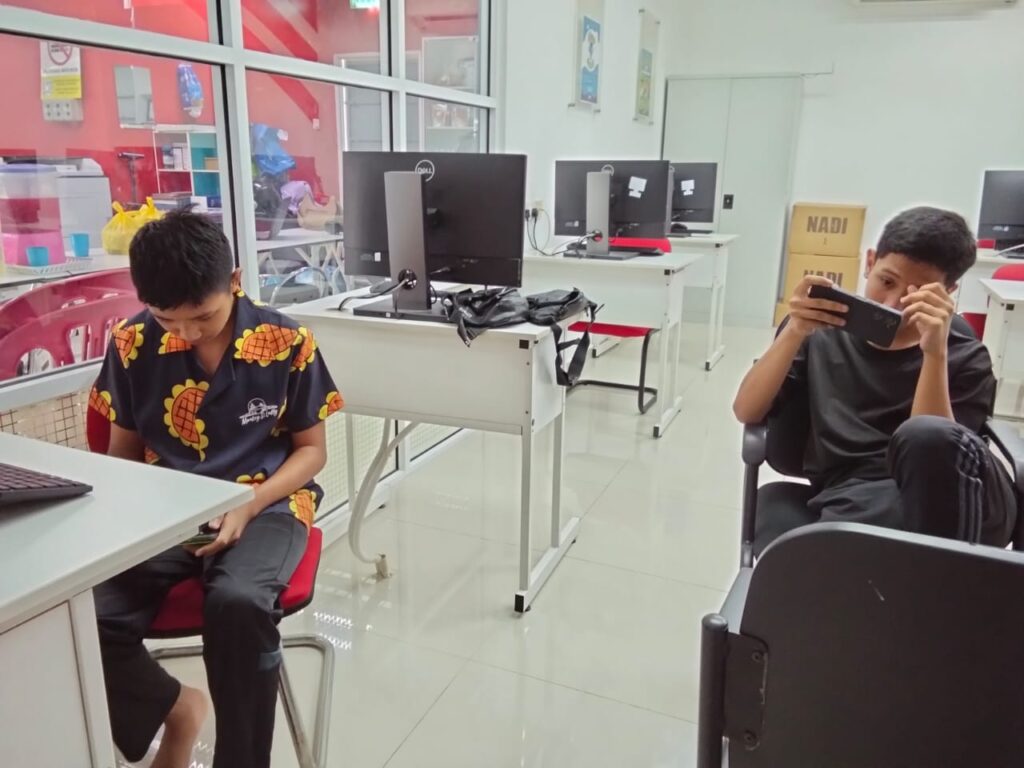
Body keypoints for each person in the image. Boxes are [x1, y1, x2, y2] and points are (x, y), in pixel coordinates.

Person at [89, 210, 343, 768]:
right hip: (167, 509)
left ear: (234, 281)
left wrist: (249, 503)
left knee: (238, 604)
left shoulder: (285, 340)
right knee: (80, 616)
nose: (186, 334)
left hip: (269, 501)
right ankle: (178, 710)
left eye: (202, 316)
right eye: (167, 319)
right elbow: (123, 455)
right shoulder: (132, 343)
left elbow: (311, 451)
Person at [733, 206, 1017, 546]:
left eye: (916, 294)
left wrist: (934, 354)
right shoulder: (820, 333)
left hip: (957, 502)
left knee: (923, 435)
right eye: (886, 281)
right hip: (850, 494)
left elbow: (939, 465)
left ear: (949, 291)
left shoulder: (963, 356)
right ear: (870, 262)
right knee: (824, 522)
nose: (895, 303)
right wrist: (794, 330)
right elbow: (746, 410)